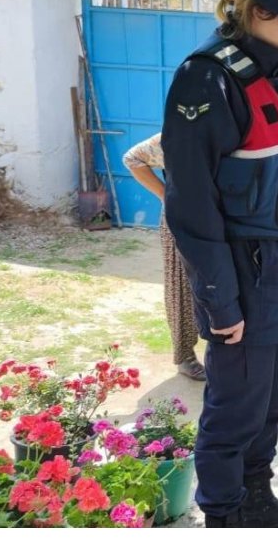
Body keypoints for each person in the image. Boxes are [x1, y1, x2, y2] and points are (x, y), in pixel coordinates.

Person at [161, 0, 278, 528]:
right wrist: (219, 299)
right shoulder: (206, 79)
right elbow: (192, 206)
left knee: (271, 401)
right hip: (245, 277)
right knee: (235, 408)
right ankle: (226, 516)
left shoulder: (276, 69)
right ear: (261, 11)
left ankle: (257, 498)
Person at [121, 133, 206, 381]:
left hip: (219, 222)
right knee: (181, 286)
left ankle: (222, 352)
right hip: (180, 221)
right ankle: (185, 356)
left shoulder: (229, 132)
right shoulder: (175, 136)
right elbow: (133, 158)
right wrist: (165, 195)